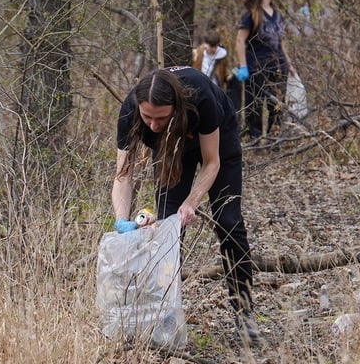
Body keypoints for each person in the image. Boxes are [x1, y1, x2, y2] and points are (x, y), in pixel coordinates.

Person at [110, 67, 260, 342]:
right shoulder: (130, 112)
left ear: (176, 108)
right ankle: (164, 316)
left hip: (217, 142)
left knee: (229, 222)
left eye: (160, 118)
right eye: (148, 118)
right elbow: (123, 175)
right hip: (171, 149)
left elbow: (212, 161)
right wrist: (122, 221)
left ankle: (244, 313)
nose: (153, 125)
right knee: (167, 230)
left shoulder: (200, 97)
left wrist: (191, 203)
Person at [233, 0, 296, 141]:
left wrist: (288, 64)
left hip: (277, 66)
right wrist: (243, 66)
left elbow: (281, 42)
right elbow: (240, 40)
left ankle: (273, 138)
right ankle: (254, 141)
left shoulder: (277, 15)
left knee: (276, 106)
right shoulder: (251, 15)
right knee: (254, 106)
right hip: (256, 66)